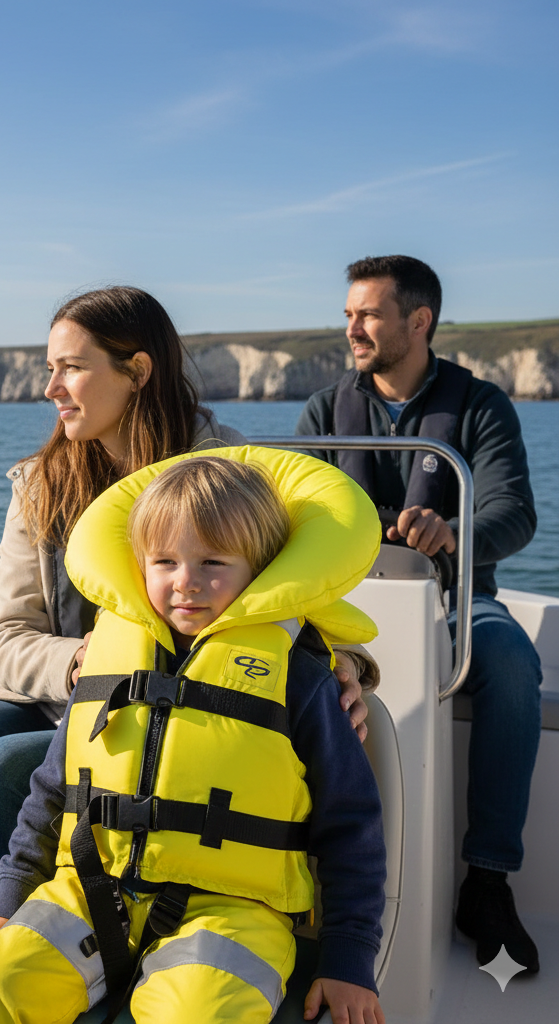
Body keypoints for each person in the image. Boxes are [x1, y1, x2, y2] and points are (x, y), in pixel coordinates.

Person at [0, 286, 371, 1024]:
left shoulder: (227, 475)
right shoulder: (38, 486)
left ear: (137, 371)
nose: (49, 387)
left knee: (0, 771)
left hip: (189, 715)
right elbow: (5, 638)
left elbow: (296, 600)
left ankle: (55, 973)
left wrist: (349, 667)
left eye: (70, 367)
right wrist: (80, 661)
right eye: (49, 368)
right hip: (63, 693)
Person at [0, 452, 387, 1024]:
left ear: (263, 569)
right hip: (89, 891)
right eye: (164, 561)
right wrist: (8, 904)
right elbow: (50, 794)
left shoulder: (300, 677)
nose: (185, 582)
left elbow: (352, 827)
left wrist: (348, 956)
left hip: (234, 909)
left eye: (214, 561)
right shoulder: (107, 661)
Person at [296, 255, 542, 974]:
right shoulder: (321, 410)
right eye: (348, 315)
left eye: (368, 314)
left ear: (419, 320)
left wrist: (456, 533)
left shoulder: (481, 405)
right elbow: (303, 509)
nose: (353, 329)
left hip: (460, 603)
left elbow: (514, 512)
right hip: (344, 609)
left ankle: (488, 881)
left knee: (509, 661)